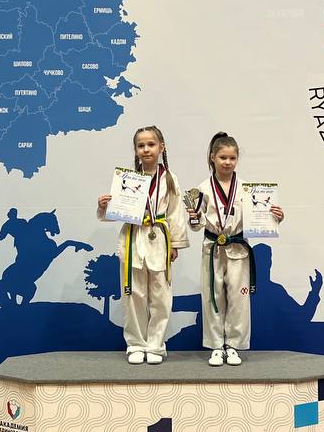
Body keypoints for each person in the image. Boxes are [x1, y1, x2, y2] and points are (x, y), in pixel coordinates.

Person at [188, 132, 284, 366]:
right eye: (223, 157)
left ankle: (233, 345)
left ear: (237, 159)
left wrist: (275, 218)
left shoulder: (248, 190)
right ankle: (216, 346)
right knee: (213, 296)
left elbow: (259, 218)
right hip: (212, 248)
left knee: (239, 299)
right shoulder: (202, 189)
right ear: (212, 157)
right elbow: (196, 225)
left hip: (238, 248)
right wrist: (194, 218)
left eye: (232, 158)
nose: (227, 162)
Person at [97, 126, 188, 364]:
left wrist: (175, 244)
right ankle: (136, 344)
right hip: (134, 238)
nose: (146, 149)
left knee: (161, 296)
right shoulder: (127, 179)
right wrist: (105, 206)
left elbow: (176, 213)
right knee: (133, 295)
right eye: (141, 145)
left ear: (161, 147)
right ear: (136, 150)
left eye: (151, 144)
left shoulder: (170, 178)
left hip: (159, 239)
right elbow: (117, 211)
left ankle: (156, 345)